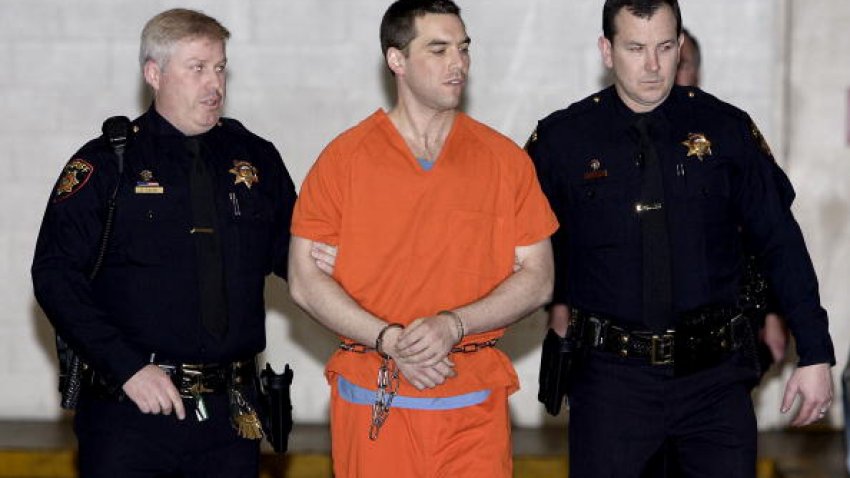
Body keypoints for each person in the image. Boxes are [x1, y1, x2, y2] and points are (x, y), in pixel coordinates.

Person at [526, 1, 835, 477]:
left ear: (680, 46)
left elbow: (780, 243)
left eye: (665, 47)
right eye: (636, 48)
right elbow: (520, 250)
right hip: (611, 383)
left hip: (714, 381)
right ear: (606, 51)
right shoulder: (562, 141)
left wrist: (815, 353)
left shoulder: (726, 130)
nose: (652, 65)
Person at [287, 0, 558, 476]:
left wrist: (453, 325)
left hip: (472, 405)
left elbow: (539, 279)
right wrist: (389, 338)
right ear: (397, 60)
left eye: (464, 49)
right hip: (376, 396)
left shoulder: (504, 161)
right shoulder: (344, 159)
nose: (458, 64)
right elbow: (304, 282)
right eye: (438, 50)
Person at [31, 9, 297, 477]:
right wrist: (127, 367)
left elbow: (298, 261)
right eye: (196, 68)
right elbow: (55, 276)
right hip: (132, 412)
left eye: (219, 67)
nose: (213, 83)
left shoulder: (255, 159)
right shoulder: (107, 165)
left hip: (230, 418)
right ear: (153, 74)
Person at [676, 27, 791, 372]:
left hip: (727, 321)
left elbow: (767, 234)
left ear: (698, 71)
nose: (671, 70)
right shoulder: (621, 139)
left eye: (684, 63)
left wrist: (773, 314)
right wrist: (560, 308)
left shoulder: (728, 135)